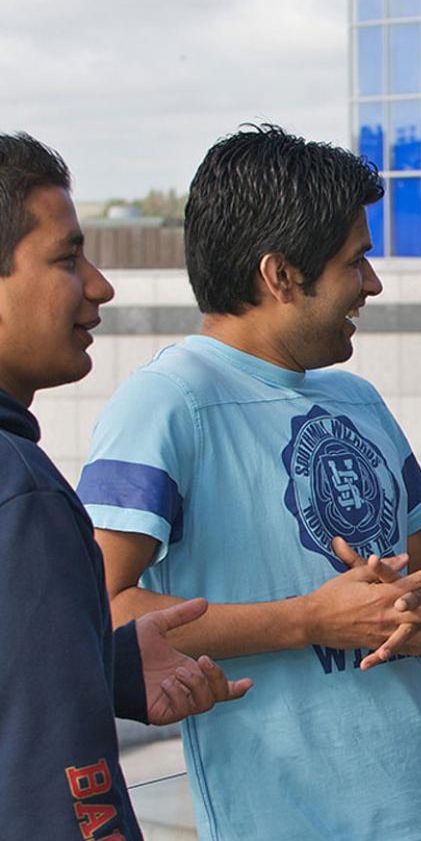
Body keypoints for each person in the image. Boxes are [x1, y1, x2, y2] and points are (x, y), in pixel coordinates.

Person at [78, 126, 421, 840]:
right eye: (356, 261)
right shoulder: (165, 401)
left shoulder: (360, 398)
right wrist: (309, 619)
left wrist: (419, 616)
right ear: (280, 274)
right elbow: (100, 609)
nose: (371, 284)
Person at [0, 132, 251, 840]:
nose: (99, 284)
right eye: (65, 257)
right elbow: (59, 785)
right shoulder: (23, 494)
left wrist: (93, 666)